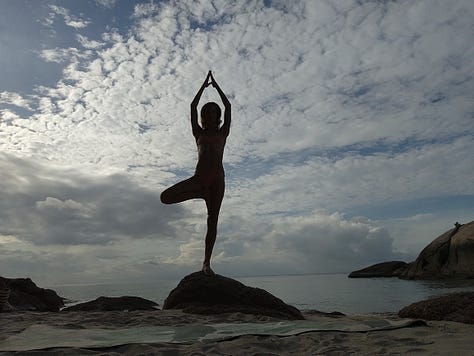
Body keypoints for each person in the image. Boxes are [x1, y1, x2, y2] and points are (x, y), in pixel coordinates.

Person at [161, 71, 231, 275]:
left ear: (217, 117)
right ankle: (199, 193)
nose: (210, 116)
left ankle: (206, 263)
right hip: (199, 179)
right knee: (165, 197)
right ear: (203, 117)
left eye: (213, 113)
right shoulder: (198, 133)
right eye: (206, 113)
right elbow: (192, 106)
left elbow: (228, 107)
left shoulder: (222, 133)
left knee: (212, 221)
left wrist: (216, 86)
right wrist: (203, 85)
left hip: (217, 180)